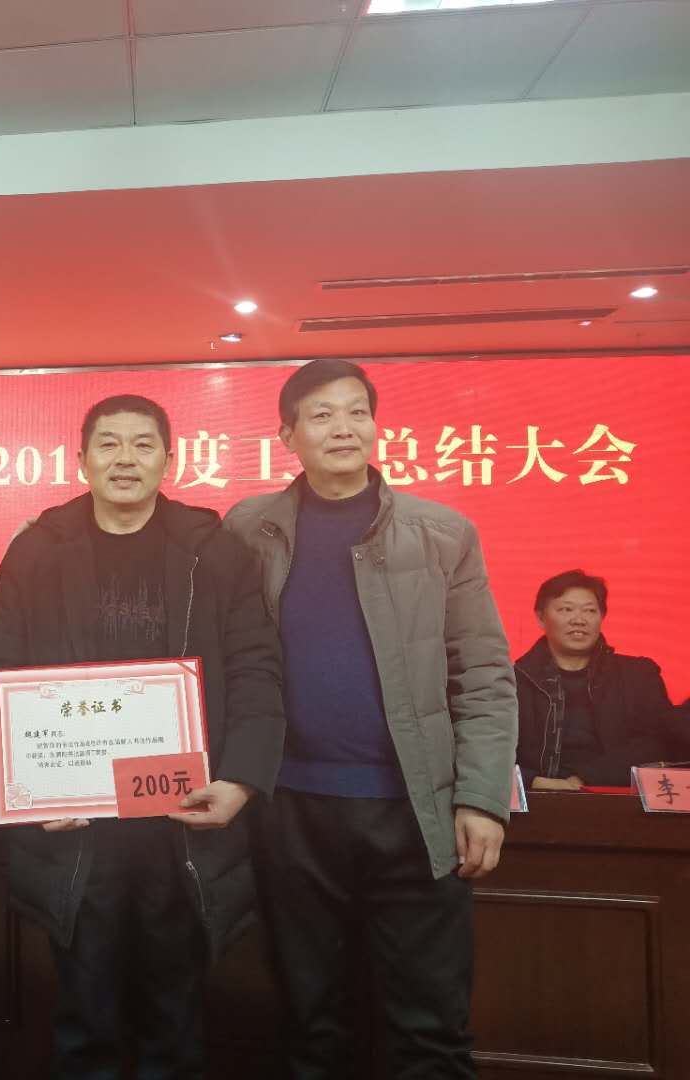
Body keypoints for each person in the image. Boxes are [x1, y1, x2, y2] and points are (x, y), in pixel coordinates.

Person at [223, 357, 517, 1079]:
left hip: (415, 810)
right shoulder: (248, 528)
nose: (343, 428)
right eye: (321, 415)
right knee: (310, 1022)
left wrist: (482, 798)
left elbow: (483, 672)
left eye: (357, 411)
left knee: (430, 1027)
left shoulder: (441, 531)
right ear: (287, 434)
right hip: (291, 807)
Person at [0, 394, 285, 1079]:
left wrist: (241, 780)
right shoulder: (38, 550)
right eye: (108, 444)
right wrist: (26, 789)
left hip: (183, 824)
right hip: (77, 827)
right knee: (85, 1019)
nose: (125, 459)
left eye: (143, 444)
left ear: (169, 460)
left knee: (175, 1020)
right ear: (81, 459)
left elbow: (256, 667)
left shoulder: (214, 551)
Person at [516, 569, 674, 789]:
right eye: (566, 609)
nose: (579, 620)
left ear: (602, 617)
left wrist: (585, 779)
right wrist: (533, 781)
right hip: (535, 797)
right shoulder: (513, 681)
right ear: (541, 618)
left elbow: (659, 740)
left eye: (590, 610)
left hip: (616, 797)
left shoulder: (639, 676)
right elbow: (488, 747)